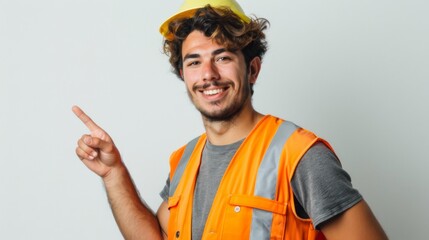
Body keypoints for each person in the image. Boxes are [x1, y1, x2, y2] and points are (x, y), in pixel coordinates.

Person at [73, 0, 388, 239]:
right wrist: (114, 174)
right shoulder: (184, 161)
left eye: (222, 57)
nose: (208, 75)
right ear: (183, 74)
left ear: (252, 69)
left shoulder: (300, 157)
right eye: (194, 61)